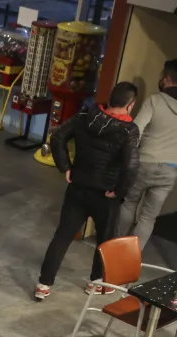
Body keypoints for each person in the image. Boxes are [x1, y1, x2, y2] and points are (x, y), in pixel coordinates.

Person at [35, 82, 141, 301]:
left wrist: (65, 167)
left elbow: (58, 136)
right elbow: (131, 167)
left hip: (78, 186)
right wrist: (119, 192)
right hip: (106, 194)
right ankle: (96, 283)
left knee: (62, 236)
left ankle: (43, 284)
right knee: (105, 241)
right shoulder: (128, 130)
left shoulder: (86, 113)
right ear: (130, 105)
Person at [116, 60, 177, 248]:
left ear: (168, 78)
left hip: (145, 162)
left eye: (162, 75)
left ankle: (114, 245)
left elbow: (135, 130)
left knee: (129, 203)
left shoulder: (155, 101)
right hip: (170, 169)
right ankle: (130, 255)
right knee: (149, 216)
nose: (160, 79)